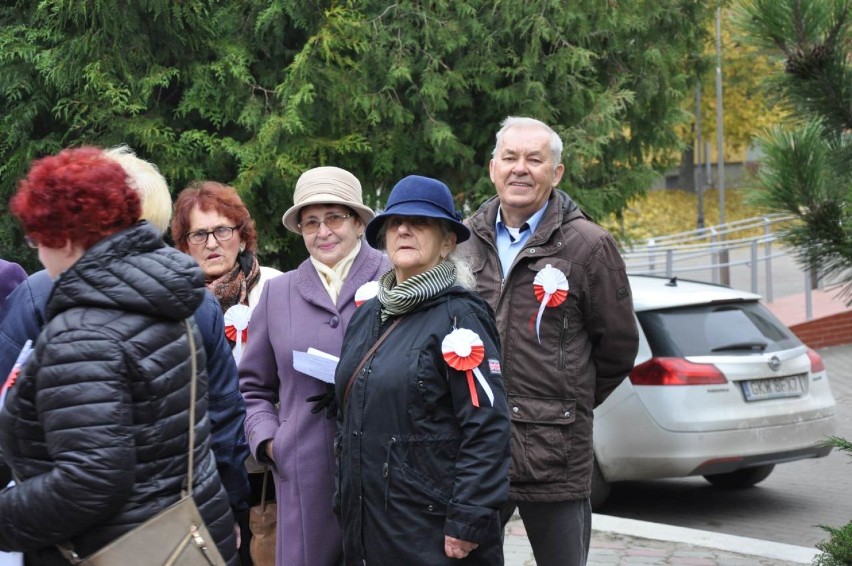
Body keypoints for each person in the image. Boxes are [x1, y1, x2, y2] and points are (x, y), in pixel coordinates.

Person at [0, 146, 237, 564]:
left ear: (68, 237)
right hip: (186, 535)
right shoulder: (164, 298)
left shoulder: (83, 332)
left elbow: (89, 481)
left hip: (119, 549)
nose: (35, 249)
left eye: (37, 235)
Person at [457, 116, 640, 566]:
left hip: (553, 454)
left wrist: (564, 406)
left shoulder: (589, 247)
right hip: (476, 448)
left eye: (534, 160)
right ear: (492, 167)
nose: (521, 169)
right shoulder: (461, 242)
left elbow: (617, 348)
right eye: (510, 158)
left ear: (555, 173)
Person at [334, 175, 510, 565]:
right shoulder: (367, 317)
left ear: (448, 241)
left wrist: (469, 519)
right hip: (368, 525)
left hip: (431, 531)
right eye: (394, 223)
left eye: (421, 221)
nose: (404, 230)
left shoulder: (461, 317)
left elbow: (487, 427)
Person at [238, 166, 389, 565]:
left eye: (335, 218)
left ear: (358, 222)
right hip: (303, 475)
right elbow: (252, 387)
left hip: (386, 474)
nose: (323, 232)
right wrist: (272, 442)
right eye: (311, 222)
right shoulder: (277, 292)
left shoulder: (396, 276)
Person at [171, 180, 282, 565]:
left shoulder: (275, 286)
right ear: (183, 243)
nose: (213, 243)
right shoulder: (172, 300)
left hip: (267, 463)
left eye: (222, 230)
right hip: (203, 470)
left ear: (242, 234)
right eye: (199, 234)